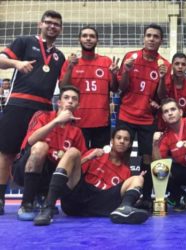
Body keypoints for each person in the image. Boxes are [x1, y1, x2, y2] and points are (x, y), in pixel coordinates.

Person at [0, 10, 65, 215]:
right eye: (48, 22)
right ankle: (0, 198)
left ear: (60, 29)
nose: (52, 26)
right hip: (18, 105)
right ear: (40, 24)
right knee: (7, 153)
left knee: (40, 153)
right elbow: (1, 60)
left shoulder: (60, 56)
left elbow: (64, 84)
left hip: (44, 110)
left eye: (56, 24)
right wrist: (16, 63)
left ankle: (35, 197)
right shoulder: (24, 41)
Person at [33, 125, 149, 226]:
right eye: (118, 138)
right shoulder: (95, 154)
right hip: (77, 201)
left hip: (102, 206)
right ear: (112, 141)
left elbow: (120, 197)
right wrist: (88, 158)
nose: (122, 141)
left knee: (138, 178)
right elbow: (72, 169)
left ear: (129, 145)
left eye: (126, 139)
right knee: (73, 152)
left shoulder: (127, 171)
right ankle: (48, 208)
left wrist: (135, 197)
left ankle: (125, 210)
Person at [12, 85, 87, 221]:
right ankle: (26, 204)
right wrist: (57, 121)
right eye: (66, 98)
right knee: (41, 146)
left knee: (70, 156)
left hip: (51, 174)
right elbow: (31, 140)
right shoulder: (43, 115)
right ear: (59, 102)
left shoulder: (77, 132)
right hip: (24, 169)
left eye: (74, 99)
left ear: (77, 106)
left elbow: (78, 162)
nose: (70, 101)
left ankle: (45, 197)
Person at [117, 23, 170, 209]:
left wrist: (163, 78)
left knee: (148, 158)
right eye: (149, 35)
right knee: (121, 155)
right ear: (144, 37)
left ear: (161, 41)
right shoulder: (130, 57)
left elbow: (163, 96)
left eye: (156, 36)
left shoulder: (164, 64)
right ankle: (119, 195)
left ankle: (147, 197)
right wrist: (126, 71)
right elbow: (120, 88)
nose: (151, 39)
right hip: (126, 115)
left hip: (148, 119)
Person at [60, 26, 119, 149]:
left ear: (97, 40)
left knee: (99, 159)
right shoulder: (70, 62)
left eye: (92, 36)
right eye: (85, 36)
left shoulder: (106, 61)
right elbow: (63, 87)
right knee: (78, 158)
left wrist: (113, 75)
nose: (88, 39)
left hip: (101, 121)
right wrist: (70, 68)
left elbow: (114, 88)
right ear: (79, 40)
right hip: (76, 120)